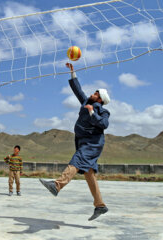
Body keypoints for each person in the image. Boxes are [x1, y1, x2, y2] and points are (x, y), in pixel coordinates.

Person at [39, 63, 110, 221]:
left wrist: (93, 113)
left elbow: (104, 124)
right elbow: (78, 90)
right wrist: (73, 73)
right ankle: (100, 205)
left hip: (93, 144)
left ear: (100, 99)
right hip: (84, 142)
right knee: (88, 173)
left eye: (95, 93)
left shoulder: (102, 111)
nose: (92, 94)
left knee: (77, 159)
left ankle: (57, 185)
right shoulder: (86, 102)